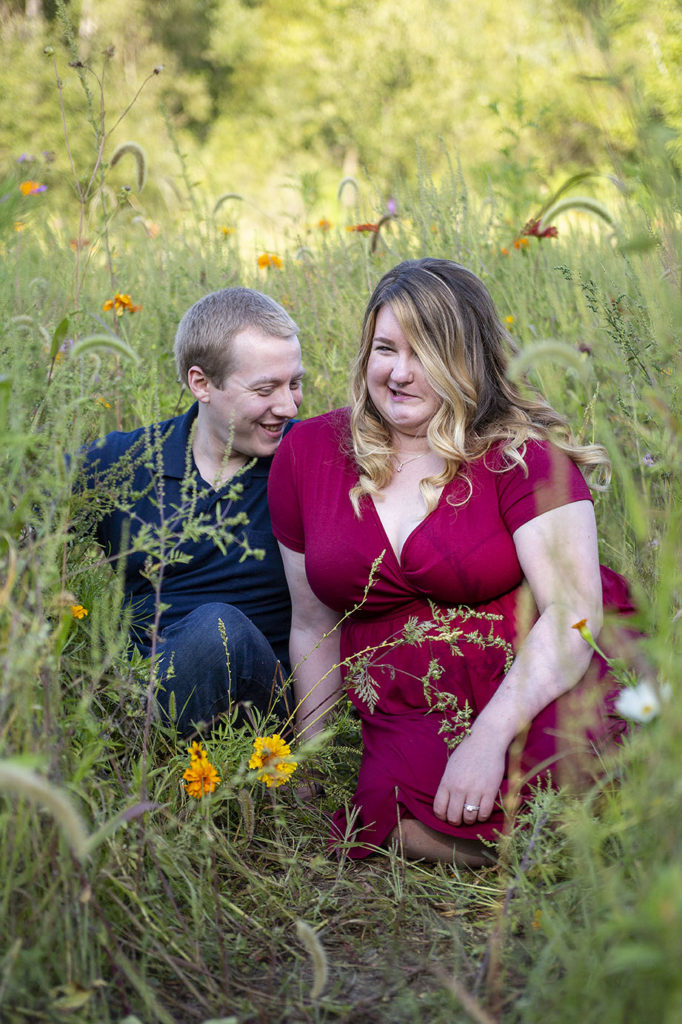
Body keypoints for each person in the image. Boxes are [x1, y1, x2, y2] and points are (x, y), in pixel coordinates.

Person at [268, 257, 635, 866]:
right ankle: (552, 844)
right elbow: (312, 625)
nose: (400, 373)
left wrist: (490, 738)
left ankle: (584, 836)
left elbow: (572, 612)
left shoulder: (521, 457)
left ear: (470, 360)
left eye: (427, 352)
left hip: (534, 665)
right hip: (407, 693)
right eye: (386, 348)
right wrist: (313, 762)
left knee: (580, 766)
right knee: (392, 815)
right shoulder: (308, 454)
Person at [77, 287, 304, 737]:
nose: (289, 406)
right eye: (265, 389)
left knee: (217, 629)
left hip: (261, 712)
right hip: (143, 688)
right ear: (201, 383)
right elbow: (26, 518)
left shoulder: (309, 458)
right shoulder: (125, 462)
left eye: (295, 382)